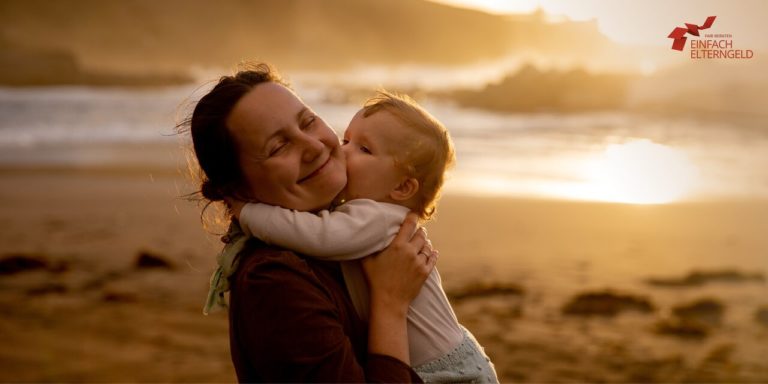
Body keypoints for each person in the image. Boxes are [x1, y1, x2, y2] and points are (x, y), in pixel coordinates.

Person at [182, 63, 437, 382]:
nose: (314, 147)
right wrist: (391, 304)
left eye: (309, 122)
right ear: (238, 190)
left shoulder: (350, 234)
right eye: (278, 147)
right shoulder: (274, 281)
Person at [229, 91, 498, 383]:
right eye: (347, 141)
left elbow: (316, 235)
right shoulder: (369, 218)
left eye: (364, 150)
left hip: (447, 371)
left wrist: (248, 212)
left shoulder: (378, 218)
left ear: (403, 187)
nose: (342, 152)